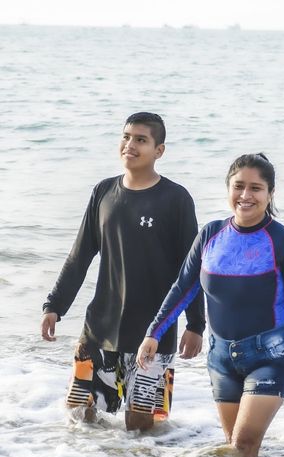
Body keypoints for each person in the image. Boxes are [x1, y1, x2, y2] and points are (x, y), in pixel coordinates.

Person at [137, 153, 284, 457]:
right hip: (221, 359)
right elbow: (183, 288)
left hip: (271, 355)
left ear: (270, 193)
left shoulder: (283, 241)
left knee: (242, 445)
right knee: (237, 454)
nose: (246, 195)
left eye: (256, 188)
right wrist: (153, 333)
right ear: (228, 188)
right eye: (239, 186)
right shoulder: (211, 234)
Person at [41, 112, 204, 431]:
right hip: (100, 326)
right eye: (126, 137)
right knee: (79, 416)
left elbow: (191, 269)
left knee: (141, 427)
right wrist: (54, 306)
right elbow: (79, 256)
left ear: (159, 151)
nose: (130, 145)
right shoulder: (103, 192)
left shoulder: (176, 199)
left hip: (153, 333)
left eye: (141, 139)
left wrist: (196, 324)